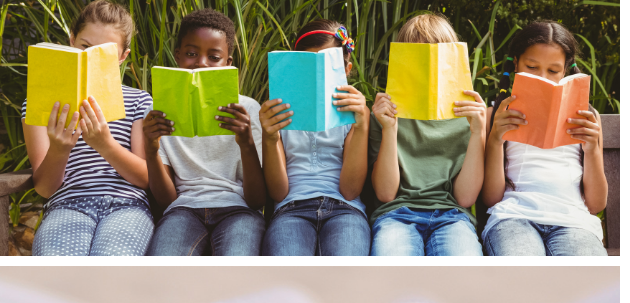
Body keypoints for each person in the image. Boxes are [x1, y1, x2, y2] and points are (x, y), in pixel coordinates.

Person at [22, 0, 153, 256]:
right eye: (85, 47)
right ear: (72, 41)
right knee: (60, 273)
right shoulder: (39, 103)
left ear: (122, 57)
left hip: (127, 206)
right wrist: (60, 149)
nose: (91, 55)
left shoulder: (139, 100)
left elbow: (146, 178)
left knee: (111, 271)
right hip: (67, 205)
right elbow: (45, 188)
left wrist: (105, 144)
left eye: (104, 52)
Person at [143, 8, 265, 256]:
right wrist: (151, 149)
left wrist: (246, 144)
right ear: (177, 56)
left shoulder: (248, 109)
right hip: (183, 209)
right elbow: (166, 200)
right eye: (191, 53)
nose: (200, 62)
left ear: (228, 64)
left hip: (238, 209)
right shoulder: (158, 112)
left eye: (214, 57)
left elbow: (257, 200)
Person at [480, 21, 607, 256]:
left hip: (574, 222)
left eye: (553, 71)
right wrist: (496, 140)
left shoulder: (586, 118)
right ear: (516, 62)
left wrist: (592, 150)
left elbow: (596, 204)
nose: (542, 78)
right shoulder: (496, 115)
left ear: (566, 71)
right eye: (531, 67)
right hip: (513, 218)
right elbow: (491, 198)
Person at [368, 12, 486, 256]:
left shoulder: (468, 115)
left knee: (462, 275)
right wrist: (389, 129)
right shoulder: (385, 114)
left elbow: (465, 198)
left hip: (452, 217)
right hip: (396, 215)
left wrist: (477, 133)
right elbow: (386, 193)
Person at [259, 21, 371, 256]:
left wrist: (362, 127)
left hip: (345, 209)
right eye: (307, 68)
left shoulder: (352, 117)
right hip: (290, 209)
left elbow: (350, 190)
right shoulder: (280, 115)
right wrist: (270, 138)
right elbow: (278, 192)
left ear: (346, 70)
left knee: (345, 273)